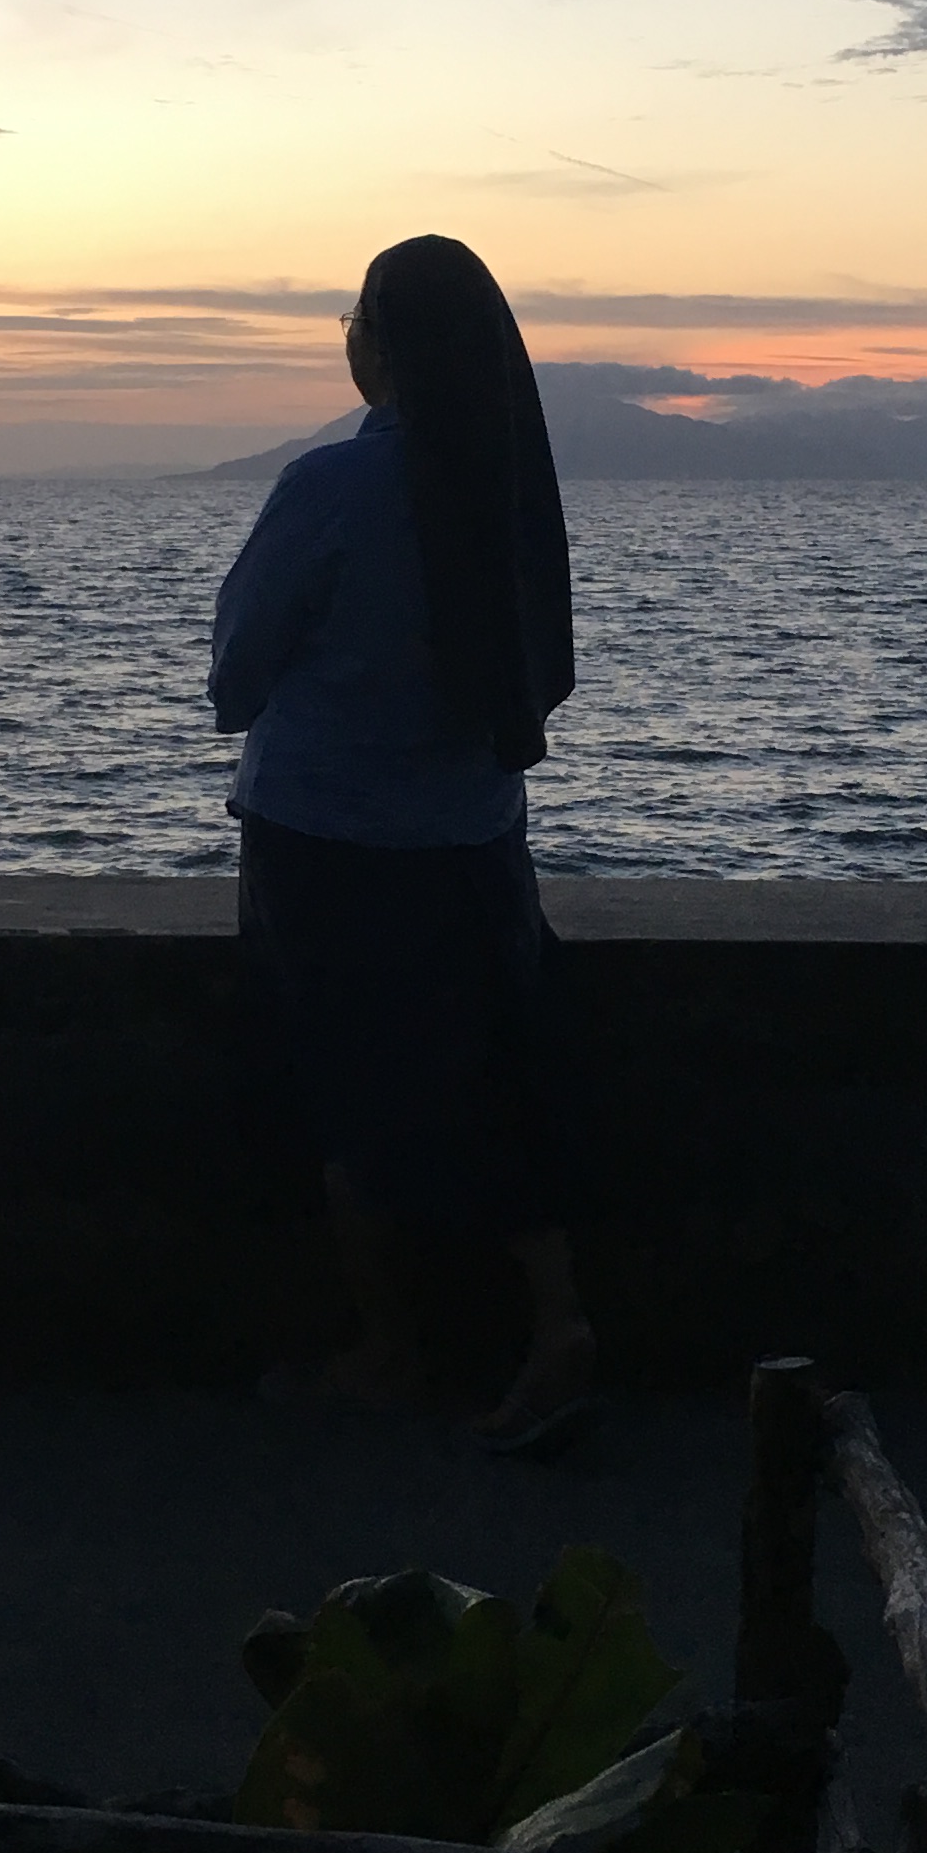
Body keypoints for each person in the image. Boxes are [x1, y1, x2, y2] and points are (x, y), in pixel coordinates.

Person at [207, 232, 603, 1456]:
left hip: (326, 843)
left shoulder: (331, 487)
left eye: (355, 325)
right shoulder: (510, 487)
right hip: (473, 840)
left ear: (378, 349)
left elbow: (235, 675)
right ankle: (557, 1324)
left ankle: (390, 1349)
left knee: (348, 1094)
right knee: (494, 1087)